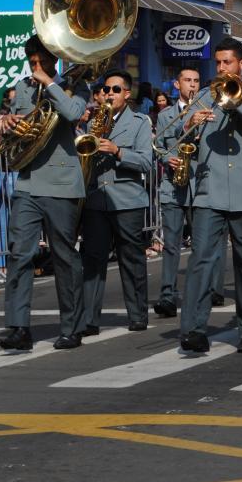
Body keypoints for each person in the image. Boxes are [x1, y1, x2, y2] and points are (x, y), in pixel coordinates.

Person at [179, 37, 242, 354]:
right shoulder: (204, 97)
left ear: (241, 64)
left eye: (228, 63)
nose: (222, 68)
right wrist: (191, 123)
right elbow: (182, 140)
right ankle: (194, 329)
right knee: (201, 262)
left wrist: (238, 101)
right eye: (218, 63)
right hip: (210, 191)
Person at [0, 35, 92, 351]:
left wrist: (49, 83)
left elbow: (73, 113)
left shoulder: (75, 84)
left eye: (41, 61)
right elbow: (20, 125)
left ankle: (72, 327)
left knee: (64, 256)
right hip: (28, 182)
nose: (35, 67)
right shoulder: (23, 87)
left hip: (62, 184)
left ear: (54, 59)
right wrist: (9, 122)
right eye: (32, 62)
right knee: (19, 254)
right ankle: (18, 326)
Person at [78, 70, 154, 336]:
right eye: (106, 90)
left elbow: (146, 161)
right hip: (97, 199)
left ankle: (137, 314)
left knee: (131, 259)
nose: (109, 94)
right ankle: (89, 319)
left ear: (127, 94)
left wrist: (119, 151)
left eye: (115, 90)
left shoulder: (139, 122)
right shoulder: (92, 122)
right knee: (93, 260)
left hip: (127, 200)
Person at [153, 67, 201, 318]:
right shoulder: (165, 115)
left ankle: (204, 291)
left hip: (200, 186)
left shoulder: (206, 111)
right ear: (176, 84)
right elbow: (158, 146)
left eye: (196, 81)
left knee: (202, 246)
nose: (192, 85)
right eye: (187, 80)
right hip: (173, 186)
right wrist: (169, 158)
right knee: (171, 245)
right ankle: (167, 295)